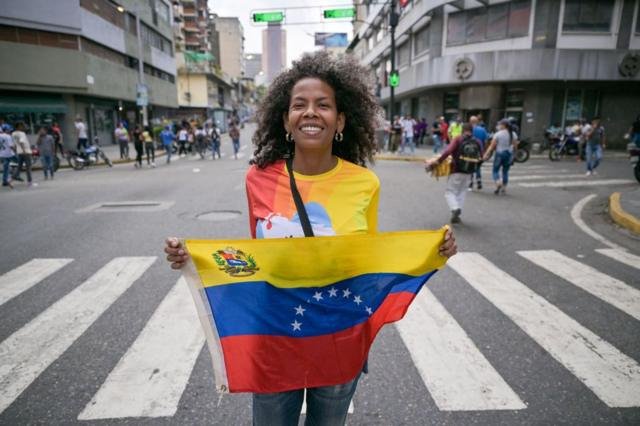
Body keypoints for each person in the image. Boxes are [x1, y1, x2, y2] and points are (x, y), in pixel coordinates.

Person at [163, 51, 457, 426]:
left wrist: (434, 252)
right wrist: (192, 258)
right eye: (299, 105)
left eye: (324, 105)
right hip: (274, 333)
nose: (311, 112)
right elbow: (258, 257)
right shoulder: (259, 178)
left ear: (341, 121)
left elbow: (368, 259)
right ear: (286, 120)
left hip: (337, 332)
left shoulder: (364, 183)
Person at [426, 123, 482, 223]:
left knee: (450, 192)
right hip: (469, 172)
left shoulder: (458, 139)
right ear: (472, 130)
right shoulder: (477, 141)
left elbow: (448, 151)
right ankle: (457, 211)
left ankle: (455, 208)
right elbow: (481, 156)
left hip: (456, 170)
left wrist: (438, 161)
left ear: (462, 130)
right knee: (462, 191)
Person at [483, 119, 518, 195]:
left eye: (500, 124)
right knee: (505, 171)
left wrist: (486, 154)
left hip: (499, 154)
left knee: (495, 170)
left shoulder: (498, 134)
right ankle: (504, 188)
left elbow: (492, 146)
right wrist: (514, 155)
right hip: (509, 154)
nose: (498, 126)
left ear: (504, 125)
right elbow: (515, 146)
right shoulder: (513, 134)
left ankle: (498, 182)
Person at [12, 122, 34, 186]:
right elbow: (21, 142)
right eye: (22, 126)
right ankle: (30, 182)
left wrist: (15, 151)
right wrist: (24, 151)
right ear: (19, 126)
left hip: (19, 152)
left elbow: (14, 144)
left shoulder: (13, 134)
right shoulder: (22, 133)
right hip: (26, 152)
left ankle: (11, 180)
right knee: (28, 167)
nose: (24, 127)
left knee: (19, 167)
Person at [469, 115, 488, 191]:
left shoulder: (469, 130)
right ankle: (479, 180)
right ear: (477, 122)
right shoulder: (483, 130)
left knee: (470, 167)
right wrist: (485, 150)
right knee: (478, 166)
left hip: (470, 151)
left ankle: (470, 184)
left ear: (470, 122)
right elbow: (486, 141)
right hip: (480, 151)